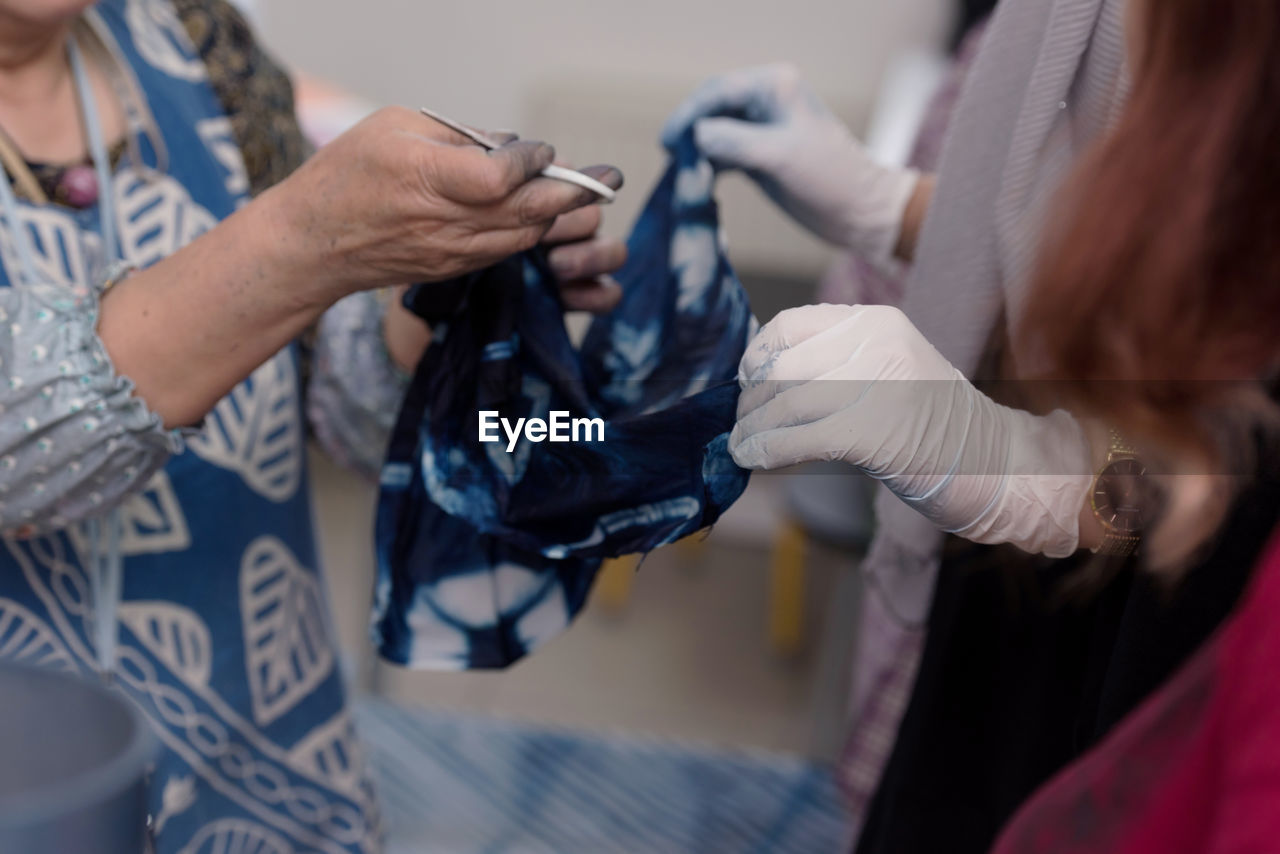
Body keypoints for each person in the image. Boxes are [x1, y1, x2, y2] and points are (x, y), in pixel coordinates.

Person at [0, 0, 624, 851]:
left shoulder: (191, 35)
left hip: (270, 770)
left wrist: (439, 298)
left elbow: (328, 389)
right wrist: (304, 240)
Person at [662, 0, 1272, 849]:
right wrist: (895, 209)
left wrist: (1045, 478)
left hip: (1159, 639)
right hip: (1013, 591)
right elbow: (1105, 224)